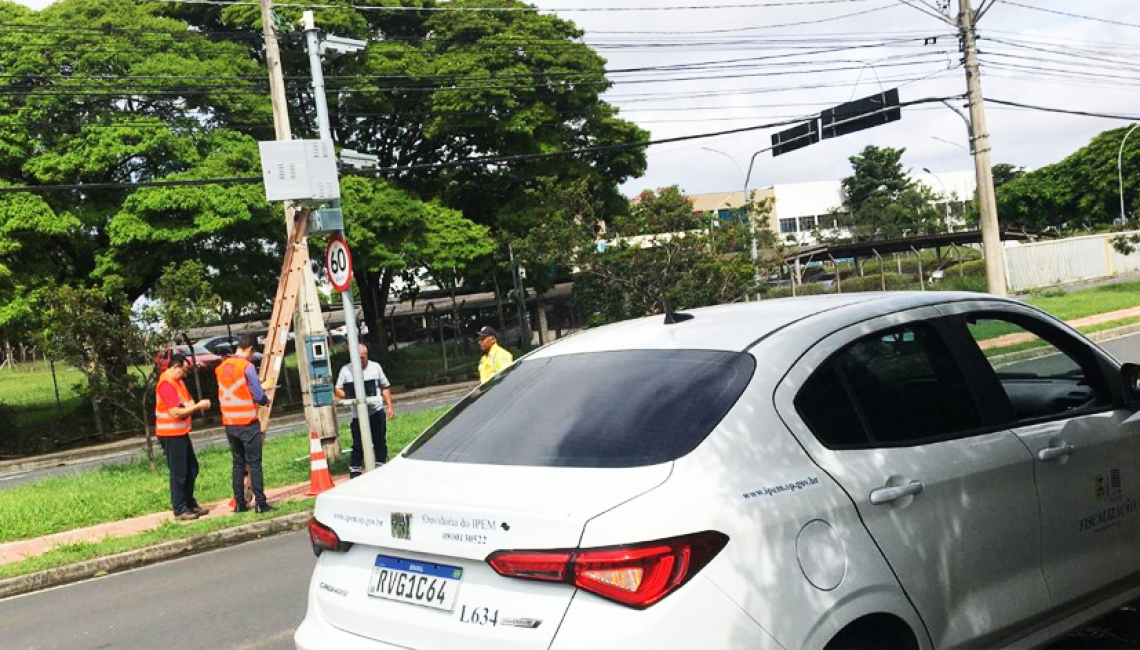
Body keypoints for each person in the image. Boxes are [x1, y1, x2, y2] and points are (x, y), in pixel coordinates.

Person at [215, 333, 273, 513]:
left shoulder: (221, 368)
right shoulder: (246, 367)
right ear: (250, 349)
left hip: (229, 423)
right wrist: (266, 399)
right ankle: (260, 504)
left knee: (238, 463)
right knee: (255, 463)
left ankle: (240, 503)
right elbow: (257, 394)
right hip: (247, 421)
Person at [155, 354, 212, 521]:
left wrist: (192, 406)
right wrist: (197, 407)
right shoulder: (166, 384)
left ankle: (190, 503)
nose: (185, 374)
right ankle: (180, 509)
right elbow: (175, 412)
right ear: (175, 367)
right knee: (179, 472)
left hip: (180, 432)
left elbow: (188, 402)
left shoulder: (178, 383)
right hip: (170, 433)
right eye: (184, 371)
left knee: (191, 468)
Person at [335, 344, 394, 478]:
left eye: (362, 357)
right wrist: (349, 394)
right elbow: (338, 389)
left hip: (375, 411)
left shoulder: (375, 367)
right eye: (357, 358)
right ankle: (355, 469)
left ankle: (380, 465)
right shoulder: (345, 370)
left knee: (379, 440)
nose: (360, 360)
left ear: (367, 355)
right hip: (358, 414)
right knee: (357, 443)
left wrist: (389, 406)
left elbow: (385, 387)